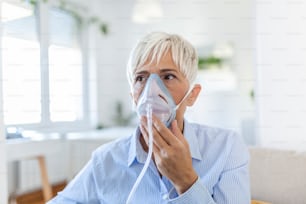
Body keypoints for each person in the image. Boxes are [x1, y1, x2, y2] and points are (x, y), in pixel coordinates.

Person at [47, 32, 250, 204]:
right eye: (141, 78)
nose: (151, 90)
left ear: (192, 95)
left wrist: (186, 181)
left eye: (168, 76)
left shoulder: (226, 148)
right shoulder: (106, 160)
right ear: (133, 97)